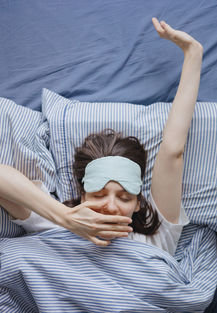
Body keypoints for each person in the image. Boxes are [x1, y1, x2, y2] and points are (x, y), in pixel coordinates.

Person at [0, 17, 203, 256]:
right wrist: (65, 218)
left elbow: (173, 150)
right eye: (98, 194)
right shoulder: (52, 223)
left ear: (138, 204)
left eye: (125, 197)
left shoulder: (158, 239)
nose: (110, 206)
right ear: (82, 195)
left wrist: (193, 53)